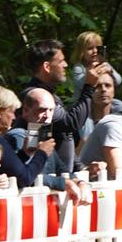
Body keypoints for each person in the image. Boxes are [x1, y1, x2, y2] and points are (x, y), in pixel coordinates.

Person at [18, 39, 103, 181]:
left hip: (61, 180)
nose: (66, 65)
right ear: (47, 66)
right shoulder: (36, 98)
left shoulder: (51, 96)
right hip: (45, 184)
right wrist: (89, 87)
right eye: (61, 61)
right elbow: (71, 122)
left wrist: (80, 168)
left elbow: (63, 135)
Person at [0, 85, 52, 187]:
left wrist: (25, 154)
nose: (14, 117)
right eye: (11, 111)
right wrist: (42, 153)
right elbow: (24, 178)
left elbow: (10, 170)